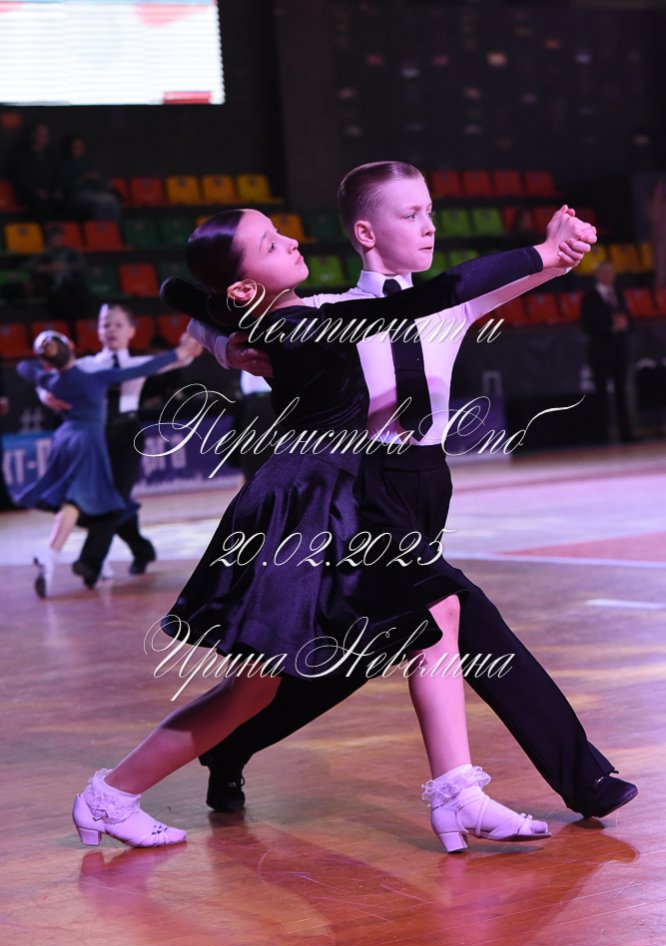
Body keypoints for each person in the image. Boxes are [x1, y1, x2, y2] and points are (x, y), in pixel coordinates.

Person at [71, 204, 585, 852]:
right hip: (306, 505)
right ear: (243, 285)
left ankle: (111, 796)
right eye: (270, 243)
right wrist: (544, 252)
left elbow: (179, 291)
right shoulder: (302, 328)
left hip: (321, 496)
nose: (291, 241)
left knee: (310, 667)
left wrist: (226, 333)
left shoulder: (273, 323)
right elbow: (440, 292)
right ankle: (110, 794)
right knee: (267, 683)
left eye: (280, 232)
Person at [194, 162, 637, 823]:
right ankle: (583, 779)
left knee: (350, 660)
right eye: (410, 214)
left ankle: (228, 747)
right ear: (365, 232)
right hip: (365, 492)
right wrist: (226, 348)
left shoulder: (451, 304)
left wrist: (562, 244)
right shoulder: (324, 313)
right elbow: (205, 313)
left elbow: (535, 268)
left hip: (428, 485)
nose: (429, 226)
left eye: (430, 211)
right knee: (472, 621)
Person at [16, 330, 200, 597]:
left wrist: (45, 386)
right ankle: (52, 553)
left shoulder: (51, 379)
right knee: (79, 500)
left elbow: (24, 367)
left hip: (64, 438)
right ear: (71, 346)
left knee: (97, 499)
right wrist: (179, 352)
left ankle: (97, 560)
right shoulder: (95, 376)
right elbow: (144, 368)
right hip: (88, 442)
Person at [581, 261, 635, 443]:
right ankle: (602, 434)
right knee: (601, 393)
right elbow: (587, 326)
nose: (608, 276)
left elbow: (630, 321)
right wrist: (610, 327)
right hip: (600, 351)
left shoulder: (619, 294)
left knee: (622, 391)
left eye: (611, 272)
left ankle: (626, 433)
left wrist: (625, 325)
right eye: (604, 272)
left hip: (620, 349)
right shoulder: (590, 297)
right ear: (597, 276)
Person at [27, 223, 91, 322]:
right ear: (49, 239)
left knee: (83, 297)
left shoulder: (71, 252)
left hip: (72, 285)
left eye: (59, 237)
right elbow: (29, 267)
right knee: (63, 302)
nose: (57, 240)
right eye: (54, 238)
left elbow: (81, 265)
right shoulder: (43, 253)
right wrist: (47, 268)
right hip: (53, 287)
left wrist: (65, 266)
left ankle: (83, 324)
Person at [9, 122, 64, 221]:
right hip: (29, 194)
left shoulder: (52, 154)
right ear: (33, 136)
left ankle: (61, 230)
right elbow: (20, 177)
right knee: (39, 204)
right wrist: (35, 190)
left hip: (49, 192)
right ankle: (44, 230)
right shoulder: (22, 154)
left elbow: (58, 174)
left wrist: (56, 190)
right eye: (41, 135)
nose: (44, 138)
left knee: (64, 203)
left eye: (46, 135)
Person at [61, 134, 122, 222]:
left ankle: (115, 228)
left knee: (112, 201)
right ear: (71, 148)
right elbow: (68, 187)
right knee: (101, 202)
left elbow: (100, 182)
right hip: (78, 196)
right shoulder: (66, 165)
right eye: (76, 147)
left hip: (95, 193)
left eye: (80, 147)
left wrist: (96, 178)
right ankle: (99, 229)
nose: (78, 150)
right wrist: (83, 179)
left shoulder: (88, 163)